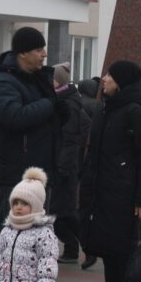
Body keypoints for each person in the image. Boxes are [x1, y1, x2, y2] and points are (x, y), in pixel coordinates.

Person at [0, 27, 61, 282]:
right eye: (39, 49)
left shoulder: (36, 80)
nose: (44, 55)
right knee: (5, 245)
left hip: (39, 176)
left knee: (35, 250)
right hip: (14, 177)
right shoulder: (3, 82)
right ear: (23, 52)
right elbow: (14, 116)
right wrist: (51, 104)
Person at [81, 60, 141, 282]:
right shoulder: (104, 108)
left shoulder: (134, 112)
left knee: (124, 257)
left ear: (121, 80)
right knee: (110, 255)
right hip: (101, 194)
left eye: (110, 75)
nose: (104, 79)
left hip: (125, 197)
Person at [52, 62, 90, 265]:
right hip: (63, 164)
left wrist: (64, 165)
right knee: (61, 210)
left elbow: (70, 138)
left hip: (65, 167)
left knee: (63, 210)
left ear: (58, 81)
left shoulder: (68, 103)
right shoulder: (62, 100)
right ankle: (73, 248)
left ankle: (87, 246)